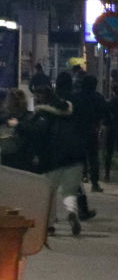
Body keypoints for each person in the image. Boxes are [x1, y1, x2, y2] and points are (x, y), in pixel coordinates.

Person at [22, 79, 89, 236]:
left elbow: (38, 135)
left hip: (54, 158)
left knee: (49, 193)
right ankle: (72, 211)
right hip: (75, 156)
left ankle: (49, 225)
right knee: (69, 192)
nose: (36, 98)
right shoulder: (69, 111)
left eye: (37, 95)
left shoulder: (43, 114)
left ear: (42, 97)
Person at [71, 73, 108, 193]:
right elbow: (105, 114)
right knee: (93, 158)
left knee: (77, 157)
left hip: (77, 131)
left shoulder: (75, 96)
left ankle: (78, 181)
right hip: (92, 130)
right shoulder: (98, 98)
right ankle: (95, 183)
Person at [0, 88, 33, 169]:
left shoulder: (28, 117)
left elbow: (31, 131)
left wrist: (17, 125)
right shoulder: (6, 116)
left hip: (19, 157)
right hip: (7, 156)